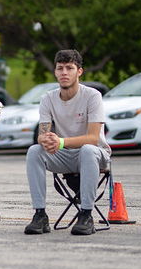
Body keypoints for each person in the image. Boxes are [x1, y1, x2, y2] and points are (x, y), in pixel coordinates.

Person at [24, 49, 111, 236]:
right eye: (60, 68)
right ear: (55, 72)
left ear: (79, 71)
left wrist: (61, 142)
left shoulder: (92, 96)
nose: (64, 72)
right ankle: (40, 215)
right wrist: (45, 139)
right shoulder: (47, 98)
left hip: (96, 155)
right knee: (34, 151)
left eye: (69, 68)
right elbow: (43, 133)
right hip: (64, 155)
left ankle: (86, 215)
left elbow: (93, 138)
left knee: (88, 149)